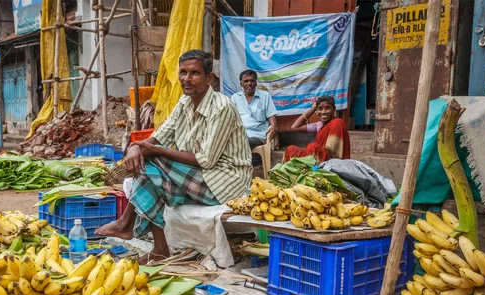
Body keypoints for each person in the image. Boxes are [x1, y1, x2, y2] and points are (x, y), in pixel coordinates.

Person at [96, 50, 252, 264]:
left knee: (152, 162)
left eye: (195, 73)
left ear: (209, 78)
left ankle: (128, 224)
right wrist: (135, 147)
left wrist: (152, 151)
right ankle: (157, 247)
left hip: (225, 182)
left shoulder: (221, 107)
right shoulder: (184, 103)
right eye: (183, 73)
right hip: (202, 176)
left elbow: (205, 160)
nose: (187, 79)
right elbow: (159, 137)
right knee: (151, 173)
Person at [283, 95, 350, 163]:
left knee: (312, 147)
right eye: (320, 108)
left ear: (334, 109)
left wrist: (314, 150)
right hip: (316, 157)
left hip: (328, 161)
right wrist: (312, 109)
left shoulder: (337, 122)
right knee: (290, 149)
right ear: (316, 111)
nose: (323, 112)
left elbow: (330, 153)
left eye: (328, 108)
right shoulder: (319, 125)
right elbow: (295, 127)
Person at [230, 70, 277, 165]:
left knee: (245, 142)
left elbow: (271, 116)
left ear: (256, 82)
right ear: (241, 84)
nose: (249, 84)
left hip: (257, 135)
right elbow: (229, 117)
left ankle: (242, 165)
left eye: (252, 81)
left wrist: (273, 126)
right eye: (246, 81)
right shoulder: (235, 97)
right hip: (240, 133)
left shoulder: (265, 96)